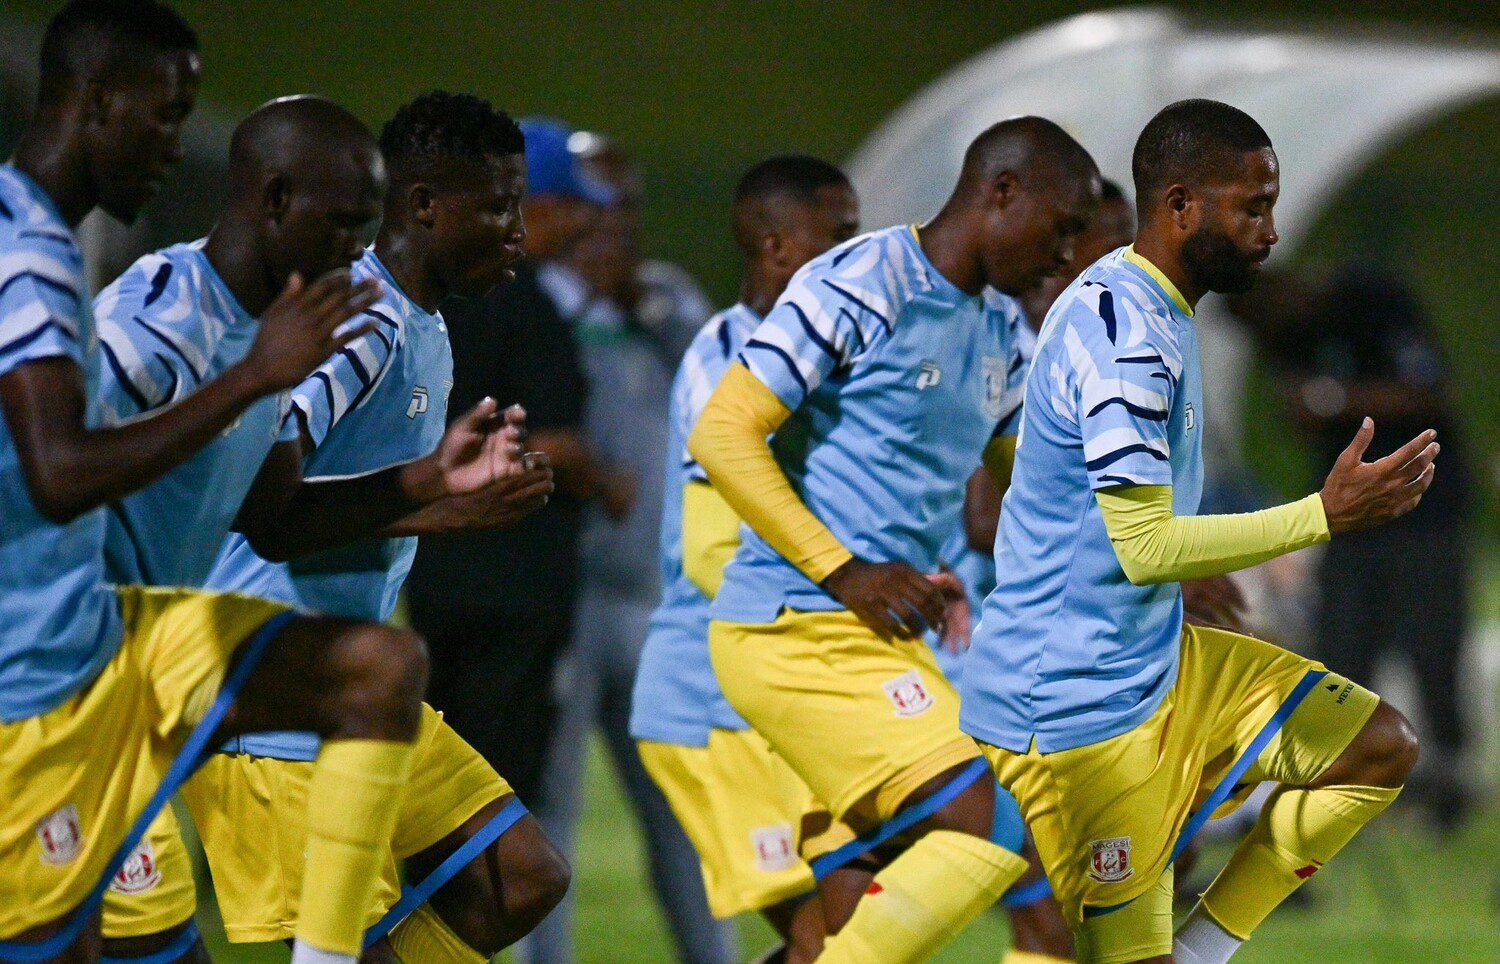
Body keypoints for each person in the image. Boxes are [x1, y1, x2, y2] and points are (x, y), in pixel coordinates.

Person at [99, 92, 570, 964]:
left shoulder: (419, 324)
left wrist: (446, 500)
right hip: (279, 705)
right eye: (499, 208)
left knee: (522, 876)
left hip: (350, 681)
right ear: (425, 206)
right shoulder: (358, 323)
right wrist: (438, 496)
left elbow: (301, 498)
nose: (517, 232)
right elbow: (268, 511)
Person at [0, 8, 429, 964]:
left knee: (377, 669)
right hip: (35, 681)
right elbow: (59, 473)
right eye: (165, 113)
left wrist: (430, 482)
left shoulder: (52, 249)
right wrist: (251, 379)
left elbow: (268, 517)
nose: (173, 143)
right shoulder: (88, 282)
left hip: (111, 641)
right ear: (95, 103)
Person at [959, 99, 1430, 964]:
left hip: (1156, 659)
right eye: (1253, 207)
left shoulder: (1151, 304)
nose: (1271, 232)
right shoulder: (1128, 338)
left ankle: (1199, 951)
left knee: (1375, 748)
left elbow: (1050, 472)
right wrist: (1322, 516)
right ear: (1180, 206)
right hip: (1076, 705)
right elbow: (1144, 549)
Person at [691, 117, 1102, 961]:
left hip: (883, 638)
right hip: (794, 628)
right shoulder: (863, 282)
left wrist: (1161, 570)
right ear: (1001, 192)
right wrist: (846, 571)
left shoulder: (1001, 332)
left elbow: (1041, 494)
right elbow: (724, 430)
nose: (1067, 256)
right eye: (1061, 229)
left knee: (844, 921)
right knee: (992, 824)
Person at [630, 154, 861, 962]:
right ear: (776, 247)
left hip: (783, 695)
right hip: (712, 702)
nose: (855, 257)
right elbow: (710, 551)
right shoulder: (729, 357)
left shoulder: (826, 358)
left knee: (863, 930)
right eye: (838, 238)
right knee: (830, 939)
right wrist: (845, 591)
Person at [525, 135, 728, 964]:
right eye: (600, 207)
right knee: (550, 811)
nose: (616, 226)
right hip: (564, 600)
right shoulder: (538, 304)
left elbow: (731, 397)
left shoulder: (668, 302)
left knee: (685, 810)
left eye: (628, 206)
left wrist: (648, 313)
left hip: (656, 600)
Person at [406, 116, 633, 808]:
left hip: (436, 574)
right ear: (534, 206)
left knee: (443, 781)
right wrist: (603, 478)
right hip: (512, 589)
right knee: (497, 790)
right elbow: (547, 443)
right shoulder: (524, 304)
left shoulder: (432, 294)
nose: (585, 225)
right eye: (574, 208)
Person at [1265, 261, 1475, 830]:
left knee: (1434, 648)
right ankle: (1349, 779)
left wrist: (1339, 400)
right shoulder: (1288, 340)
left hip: (1423, 513)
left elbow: (1427, 392)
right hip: (1352, 523)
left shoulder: (1372, 301)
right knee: (1343, 652)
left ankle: (1447, 781)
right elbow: (1299, 415)